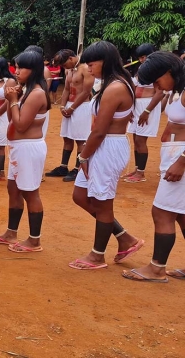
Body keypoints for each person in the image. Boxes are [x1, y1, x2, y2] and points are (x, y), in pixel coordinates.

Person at [69, 41, 145, 270]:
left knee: (103, 203)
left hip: (106, 147)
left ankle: (97, 255)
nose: (89, 69)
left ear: (105, 61)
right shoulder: (114, 84)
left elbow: (100, 130)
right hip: (102, 146)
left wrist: (83, 156)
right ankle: (124, 237)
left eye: (91, 64)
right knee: (80, 196)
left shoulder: (115, 88)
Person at [122, 52, 185, 282]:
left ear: (169, 72)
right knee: (180, 215)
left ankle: (157, 268)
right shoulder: (179, 90)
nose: (157, 85)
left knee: (162, 212)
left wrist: (181, 161)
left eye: (157, 80)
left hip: (181, 160)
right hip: (176, 155)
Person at [0, 50, 49, 252]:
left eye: (22, 67)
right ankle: (11, 232)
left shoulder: (37, 93)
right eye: (17, 66)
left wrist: (14, 98)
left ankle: (34, 239)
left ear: (34, 70)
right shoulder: (27, 90)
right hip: (18, 147)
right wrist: (13, 97)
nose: (18, 71)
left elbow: (21, 124)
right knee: (13, 189)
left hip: (28, 148)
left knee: (30, 193)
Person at [45, 49, 94, 182]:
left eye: (64, 64)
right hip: (70, 107)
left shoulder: (85, 69)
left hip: (82, 107)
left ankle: (78, 168)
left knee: (80, 139)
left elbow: (86, 92)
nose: (63, 67)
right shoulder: (69, 70)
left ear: (71, 58)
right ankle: (63, 166)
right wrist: (62, 106)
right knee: (67, 137)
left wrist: (72, 107)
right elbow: (66, 89)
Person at [124, 43, 163, 183]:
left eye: (143, 57)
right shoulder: (140, 69)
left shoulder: (158, 70)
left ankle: (141, 173)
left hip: (148, 106)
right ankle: (137, 169)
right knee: (136, 139)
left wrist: (147, 111)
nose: (141, 60)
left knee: (141, 140)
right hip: (137, 106)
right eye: (140, 57)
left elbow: (160, 93)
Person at [0, 57, 16, 183]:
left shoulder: (10, 81)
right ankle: (0, 172)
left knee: (0, 145)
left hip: (3, 114)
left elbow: (8, 100)